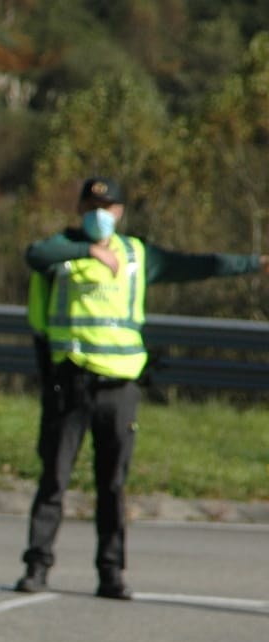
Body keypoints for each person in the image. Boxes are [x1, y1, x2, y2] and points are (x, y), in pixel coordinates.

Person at [15, 176, 269, 599]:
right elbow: (35, 254)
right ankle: (37, 566)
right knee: (54, 479)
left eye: (108, 207)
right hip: (71, 382)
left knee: (112, 484)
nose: (100, 215)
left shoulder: (136, 254)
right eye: (92, 207)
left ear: (120, 212)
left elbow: (197, 265)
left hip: (119, 388)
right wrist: (88, 251)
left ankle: (111, 573)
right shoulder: (64, 249)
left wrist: (254, 263)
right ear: (80, 209)